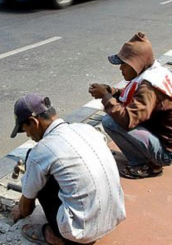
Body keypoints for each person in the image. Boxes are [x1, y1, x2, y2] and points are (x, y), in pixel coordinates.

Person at [10, 93, 125, 245]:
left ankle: (57, 236)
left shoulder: (41, 151)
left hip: (78, 233)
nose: (28, 135)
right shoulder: (87, 129)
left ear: (33, 121)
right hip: (113, 218)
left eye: (26, 130)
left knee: (38, 173)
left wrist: (20, 209)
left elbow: (26, 210)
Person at [89, 32, 172, 179]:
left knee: (111, 122)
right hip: (165, 139)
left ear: (136, 64)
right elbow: (133, 95)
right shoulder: (153, 73)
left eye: (124, 65)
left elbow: (128, 119)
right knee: (115, 117)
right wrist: (112, 91)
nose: (121, 69)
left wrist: (106, 97)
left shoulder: (149, 86)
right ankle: (145, 156)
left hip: (168, 152)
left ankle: (146, 164)